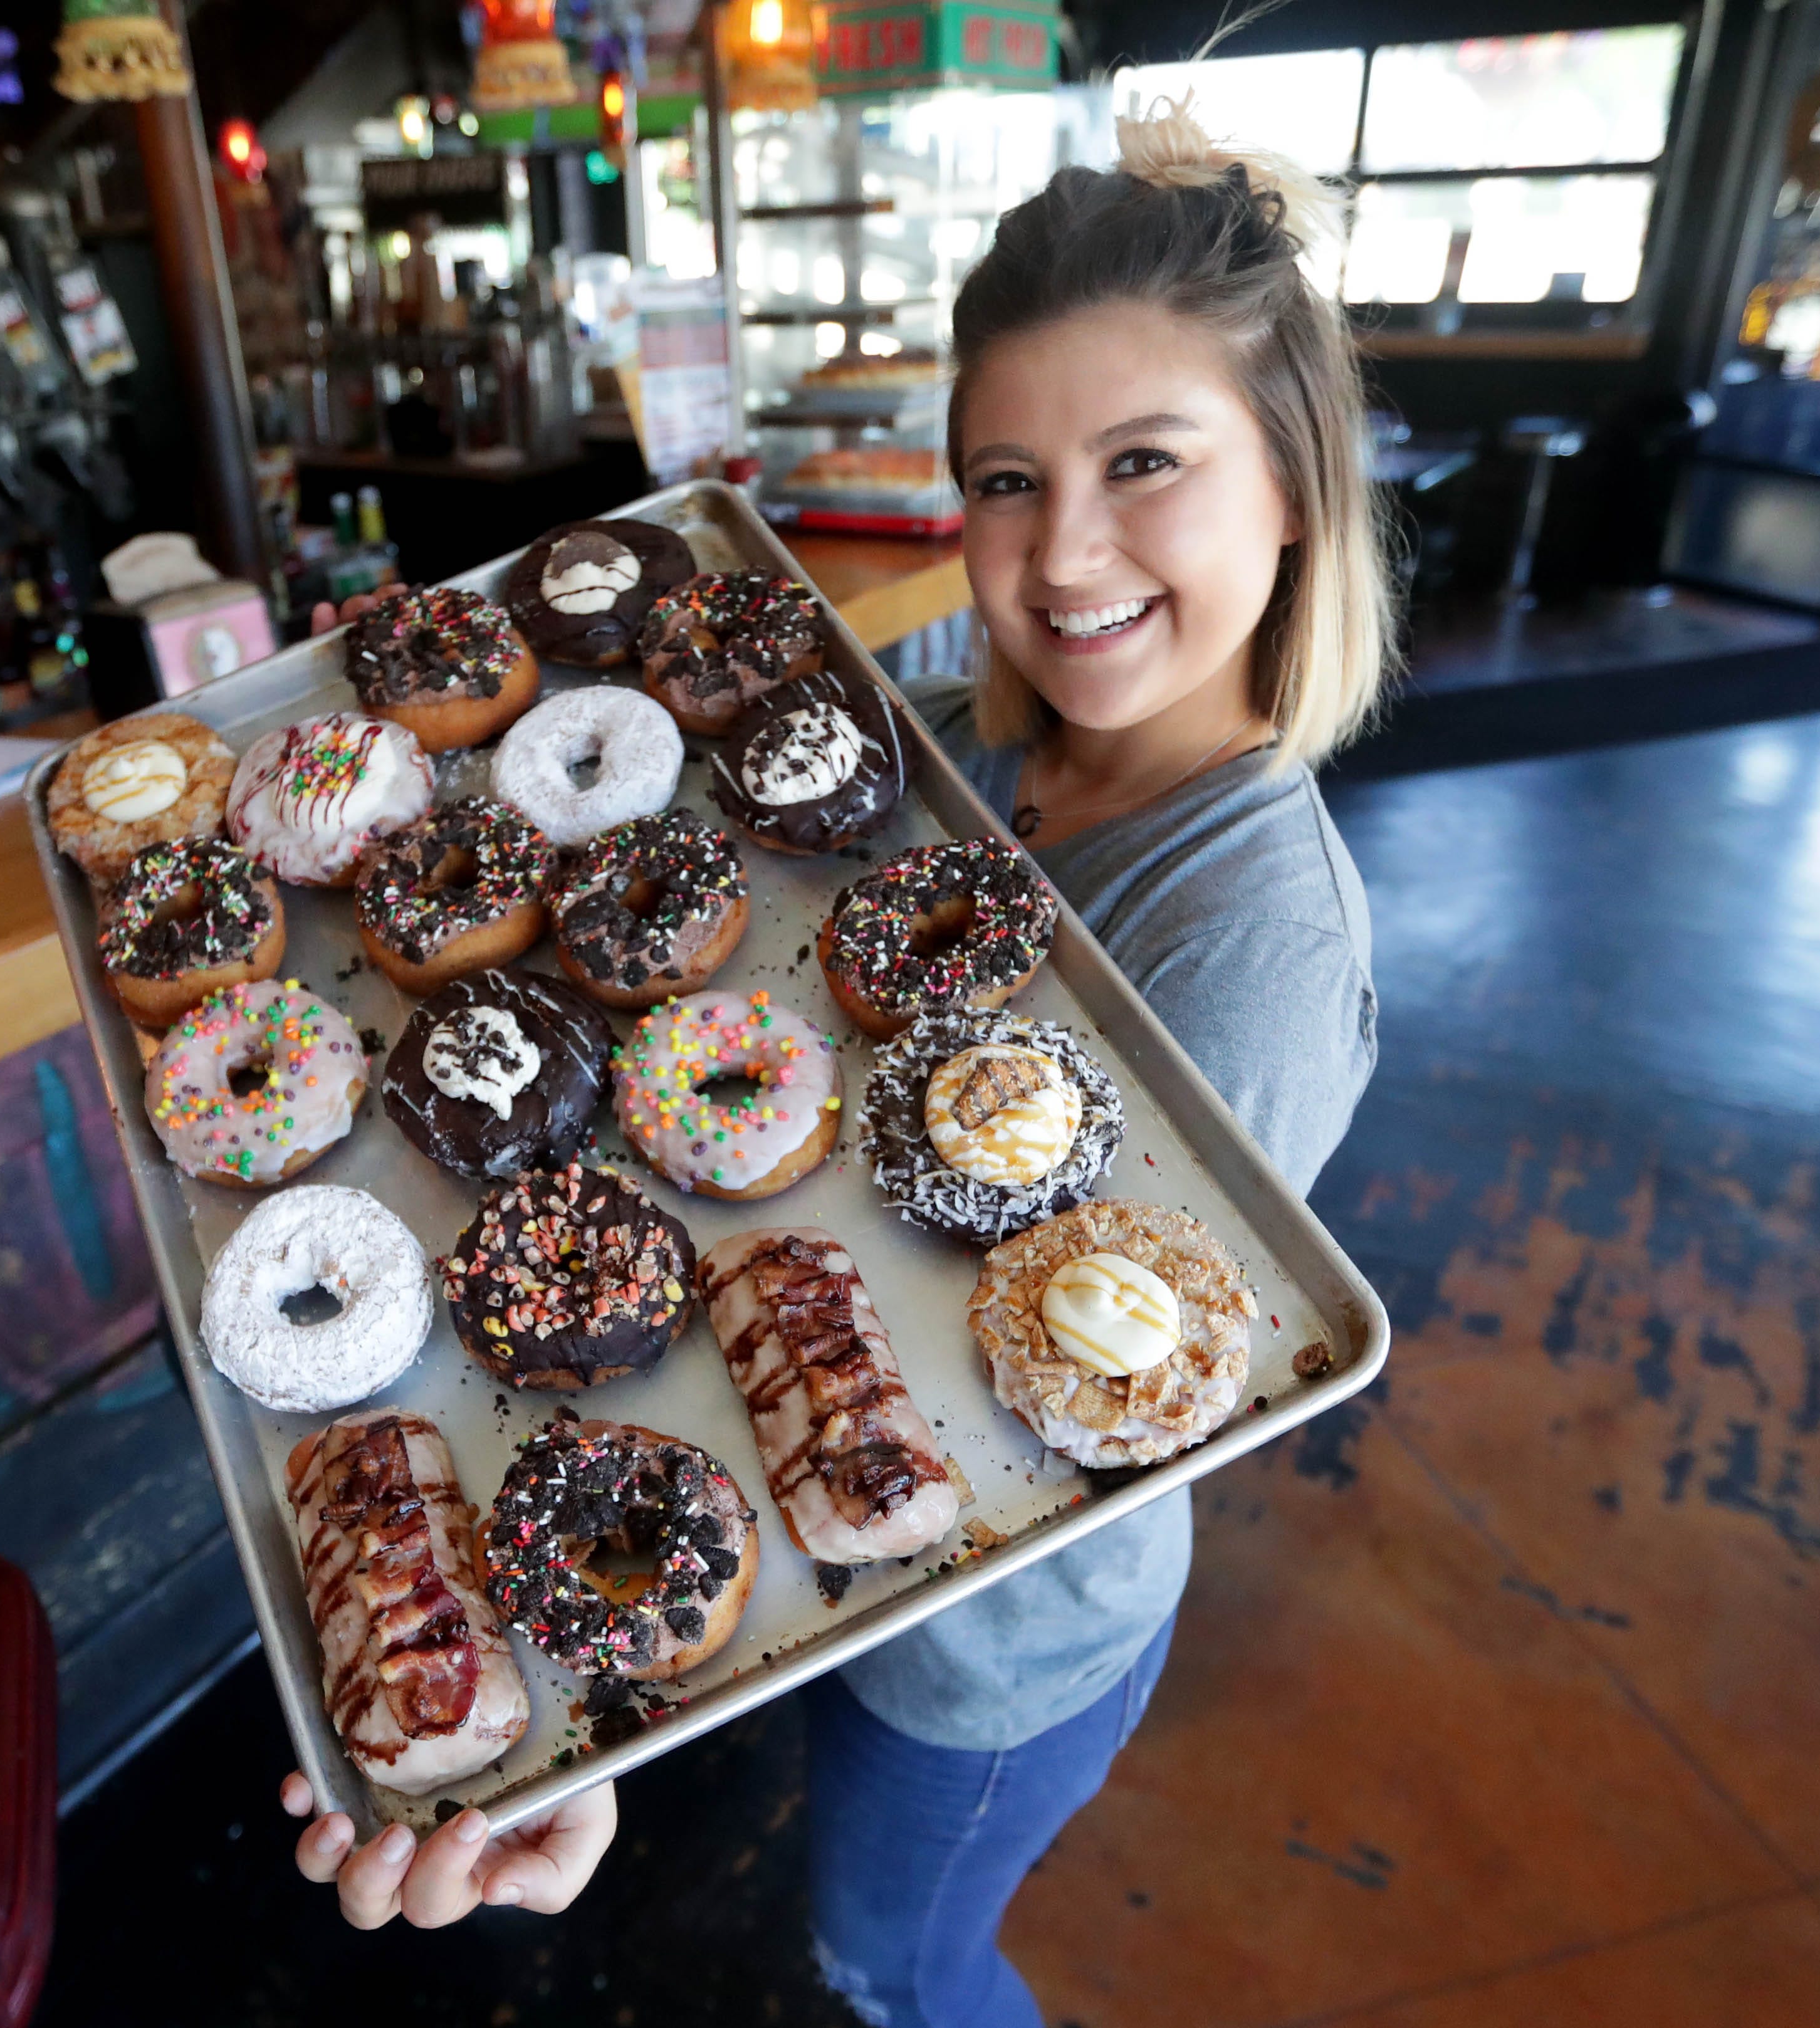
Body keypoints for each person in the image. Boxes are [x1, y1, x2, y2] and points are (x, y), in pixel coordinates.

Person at [283, 92, 1390, 2026]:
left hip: (994, 1640)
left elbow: (1062, 1400)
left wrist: (597, 1724)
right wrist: (580, 1693)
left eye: (1146, 464)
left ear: (1292, 483)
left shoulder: (1254, 952)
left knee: (887, 1962)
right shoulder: (958, 743)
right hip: (782, 1517)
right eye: (1003, 481)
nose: (1065, 558)